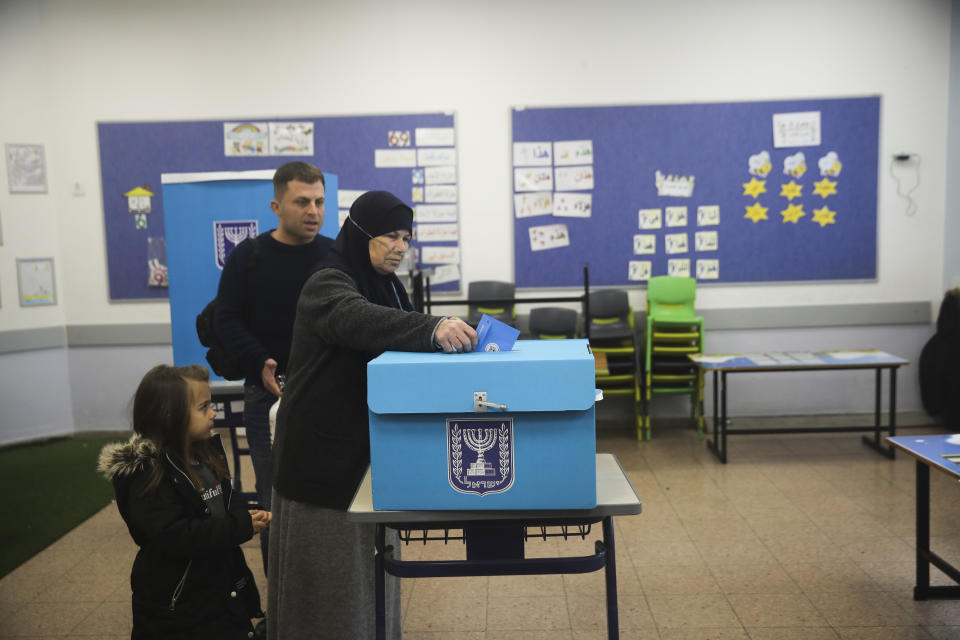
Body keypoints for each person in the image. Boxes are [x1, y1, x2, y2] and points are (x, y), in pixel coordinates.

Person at [268, 190, 477, 639]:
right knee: (329, 584)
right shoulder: (329, 280)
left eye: (406, 237)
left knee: (372, 576)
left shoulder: (388, 284)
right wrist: (432, 327)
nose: (400, 246)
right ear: (360, 233)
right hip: (321, 461)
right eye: (390, 236)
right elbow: (355, 319)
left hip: (367, 451)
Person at [214, 161, 334, 574]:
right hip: (268, 396)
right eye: (302, 202)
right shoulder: (250, 256)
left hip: (328, 395)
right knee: (273, 500)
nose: (313, 211)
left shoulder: (335, 255)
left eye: (319, 201)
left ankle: (327, 597)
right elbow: (225, 318)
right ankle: (280, 610)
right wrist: (258, 359)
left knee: (334, 495)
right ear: (276, 205)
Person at [98, 364, 270, 639]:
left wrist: (246, 514)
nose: (213, 413)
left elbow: (227, 495)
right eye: (203, 407)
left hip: (219, 587)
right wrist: (239, 526)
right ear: (170, 417)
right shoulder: (148, 474)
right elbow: (176, 535)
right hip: (179, 608)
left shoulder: (203, 455)